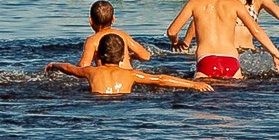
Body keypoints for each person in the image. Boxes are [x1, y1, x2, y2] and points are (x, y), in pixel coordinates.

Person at [166, 0, 279, 78]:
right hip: (231, 61)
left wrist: (175, 41)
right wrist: (276, 54)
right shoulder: (235, 4)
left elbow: (172, 31)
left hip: (206, 61)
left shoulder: (195, 2)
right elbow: (256, 30)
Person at [46, 33, 212, 96]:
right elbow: (161, 79)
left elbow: (69, 68)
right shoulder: (131, 74)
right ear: (122, 57)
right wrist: (193, 84)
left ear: (98, 55)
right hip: (124, 104)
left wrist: (54, 64)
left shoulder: (91, 71)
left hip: (95, 103)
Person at [77, 0, 155, 67]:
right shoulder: (122, 35)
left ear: (91, 21)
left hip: (108, 76)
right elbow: (145, 56)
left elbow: (83, 66)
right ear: (113, 19)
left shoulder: (92, 40)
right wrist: (130, 56)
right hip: (127, 74)